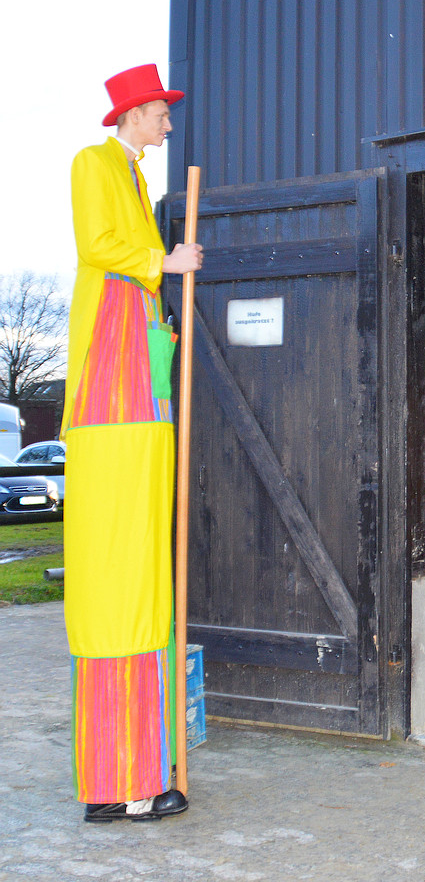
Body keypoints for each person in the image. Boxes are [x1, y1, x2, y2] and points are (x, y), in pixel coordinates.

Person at [62, 64, 203, 822]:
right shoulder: (94, 164)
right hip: (110, 393)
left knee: (143, 575)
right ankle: (123, 782)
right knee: (120, 583)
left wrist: (162, 312)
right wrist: (163, 262)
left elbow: (132, 263)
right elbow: (99, 245)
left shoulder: (139, 183)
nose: (168, 125)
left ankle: (135, 777)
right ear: (132, 113)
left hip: (138, 383)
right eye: (160, 114)